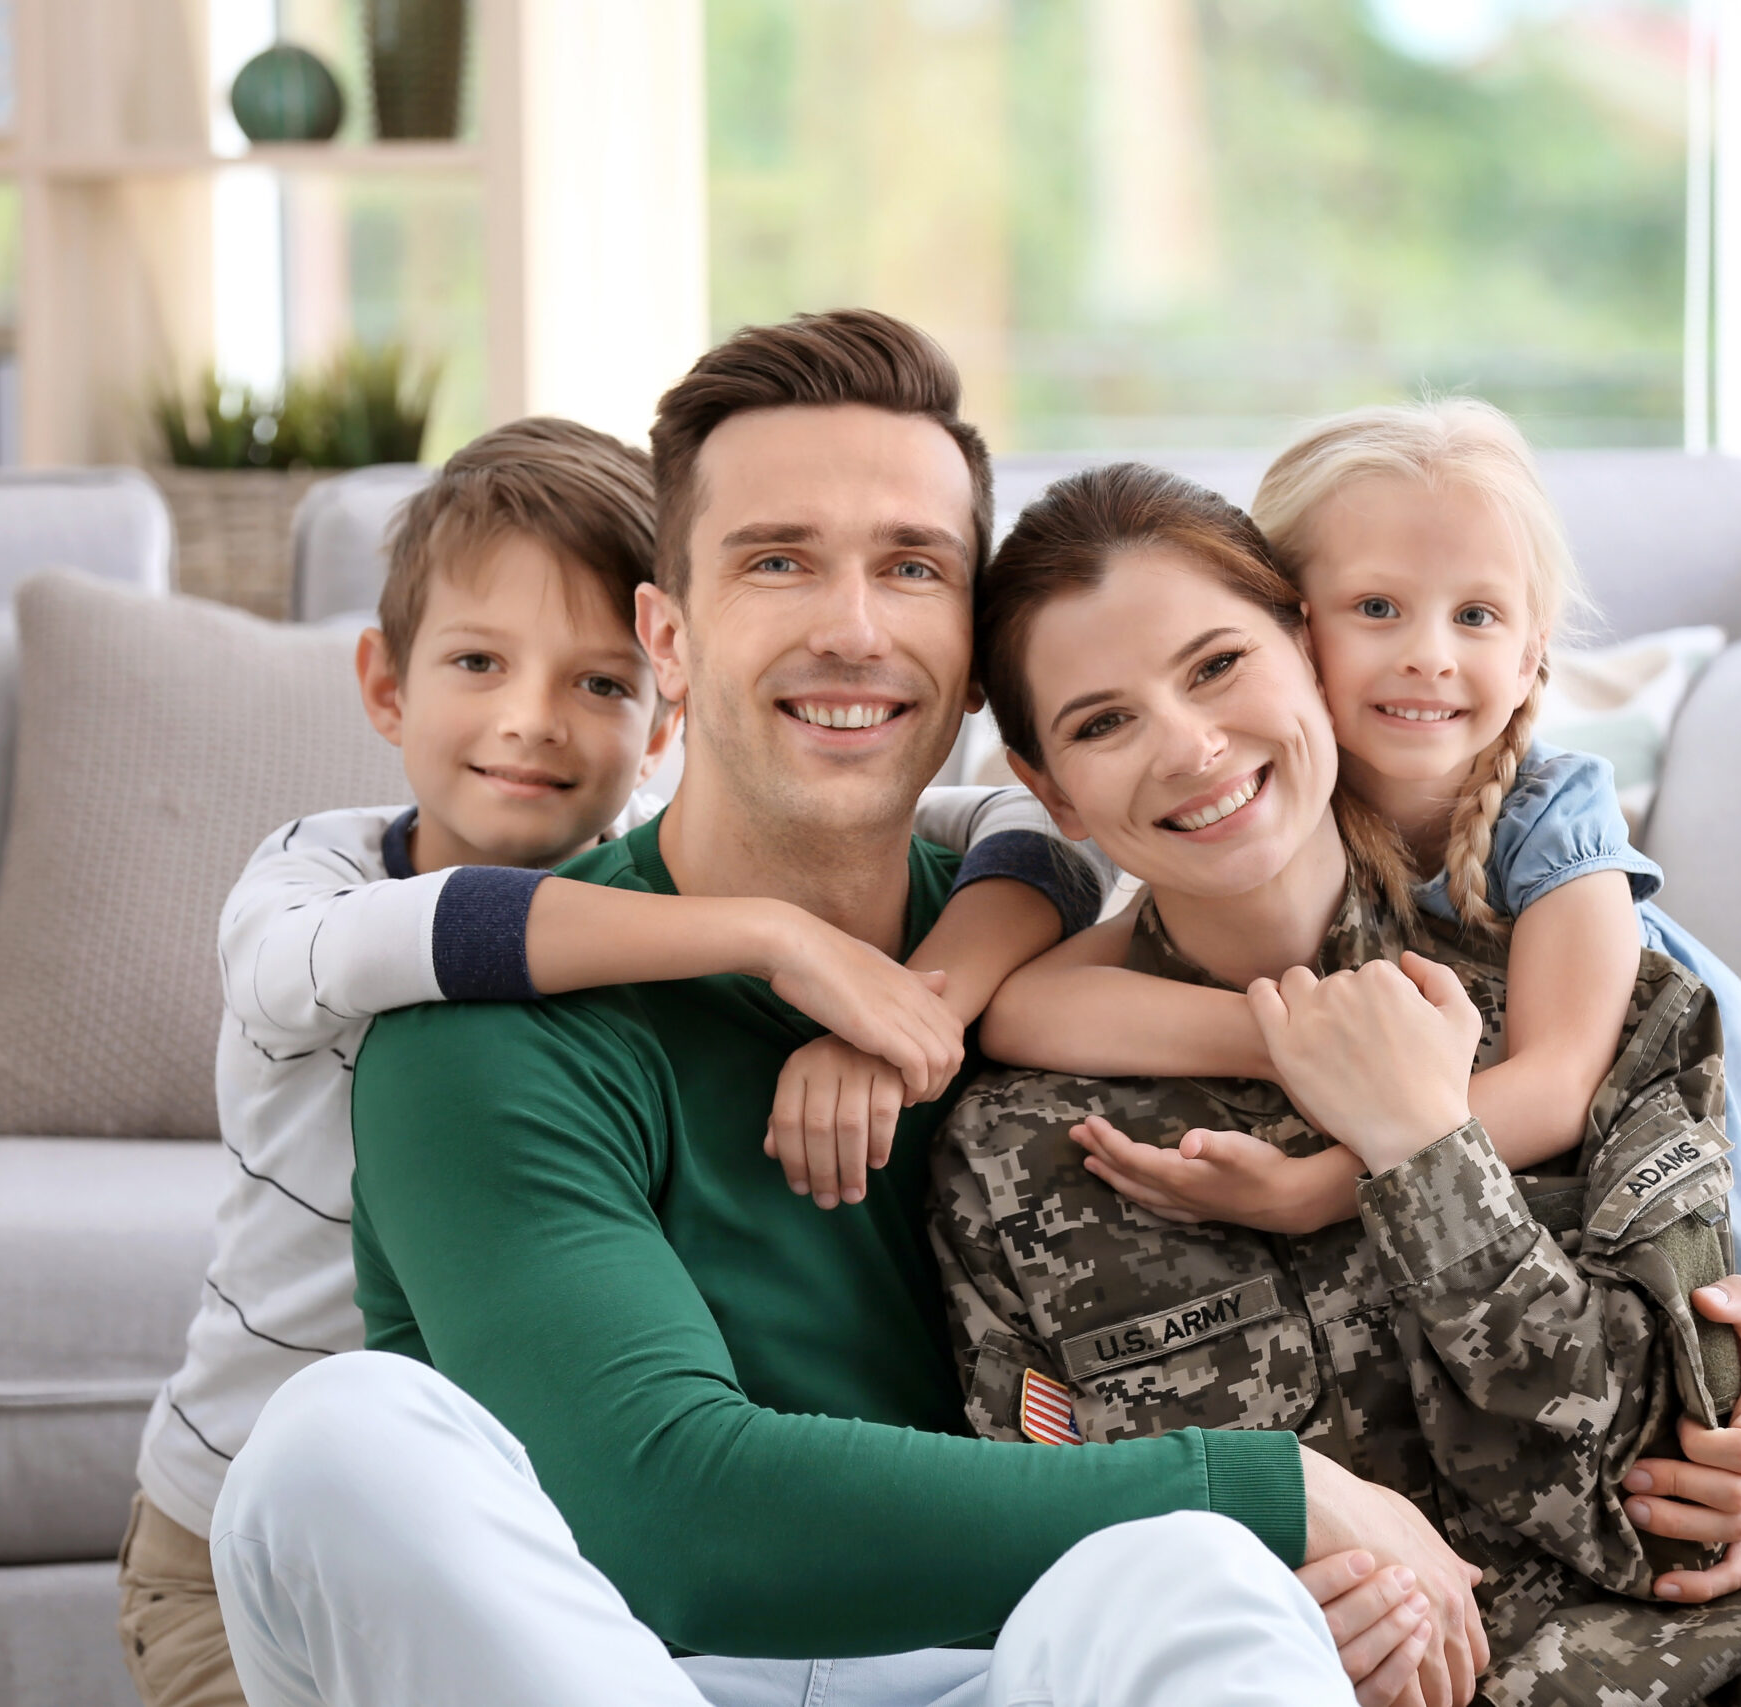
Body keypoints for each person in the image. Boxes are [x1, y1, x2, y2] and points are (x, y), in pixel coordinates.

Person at [204, 313, 1486, 1707]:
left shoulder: (1059, 958)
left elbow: (1603, 1036)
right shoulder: (490, 1026)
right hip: (641, 1666)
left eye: (913, 568)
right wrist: (1275, 1490)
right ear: (668, 638)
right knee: (336, 1438)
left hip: (1005, 1657)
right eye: (778, 561)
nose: (854, 629)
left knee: (1202, 1575)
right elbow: (671, 1511)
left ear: (976, 656)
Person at [931, 462, 1741, 1706]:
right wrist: (1254, 1603)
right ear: (1049, 792)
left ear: (1307, 656)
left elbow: (1669, 1501)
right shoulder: (1015, 1144)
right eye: (1101, 723)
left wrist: (1423, 1146)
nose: (1190, 747)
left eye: (1215, 667)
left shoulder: (1584, 986)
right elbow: (1065, 1558)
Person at [121, 414, 1112, 1707]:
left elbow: (1031, 823)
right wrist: (771, 938)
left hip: (526, 1500)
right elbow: (440, 929)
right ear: (384, 683)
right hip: (270, 1505)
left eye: (597, 684)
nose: (532, 724)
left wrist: (919, 1007)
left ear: (660, 695)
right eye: (479, 661)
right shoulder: (321, 883)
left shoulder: (654, 852)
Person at [977, 399, 1741, 1568]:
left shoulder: (1552, 822)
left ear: (1535, 646)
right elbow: (1026, 1006)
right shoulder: (1251, 781)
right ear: (1301, 626)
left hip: (1648, 1030)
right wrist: (1307, 1041)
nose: (1428, 655)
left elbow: (1555, 1087)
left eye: (1477, 616)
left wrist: (1323, 1181)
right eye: (1377, 610)